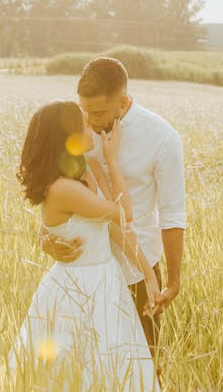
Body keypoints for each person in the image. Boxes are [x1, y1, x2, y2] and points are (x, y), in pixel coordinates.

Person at [40, 57, 186, 363]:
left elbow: (172, 214)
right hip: (83, 272)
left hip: (136, 270)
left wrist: (172, 280)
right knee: (81, 366)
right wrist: (45, 238)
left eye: (98, 113)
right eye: (84, 111)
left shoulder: (162, 138)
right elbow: (56, 193)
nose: (90, 122)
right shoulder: (78, 129)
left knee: (144, 364)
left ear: (124, 101)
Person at [9, 100, 161, 391]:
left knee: (115, 369)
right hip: (75, 291)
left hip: (106, 283)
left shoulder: (84, 171)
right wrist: (112, 160)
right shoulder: (64, 189)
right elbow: (124, 213)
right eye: (84, 124)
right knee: (73, 372)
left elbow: (115, 228)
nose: (91, 126)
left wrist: (149, 274)